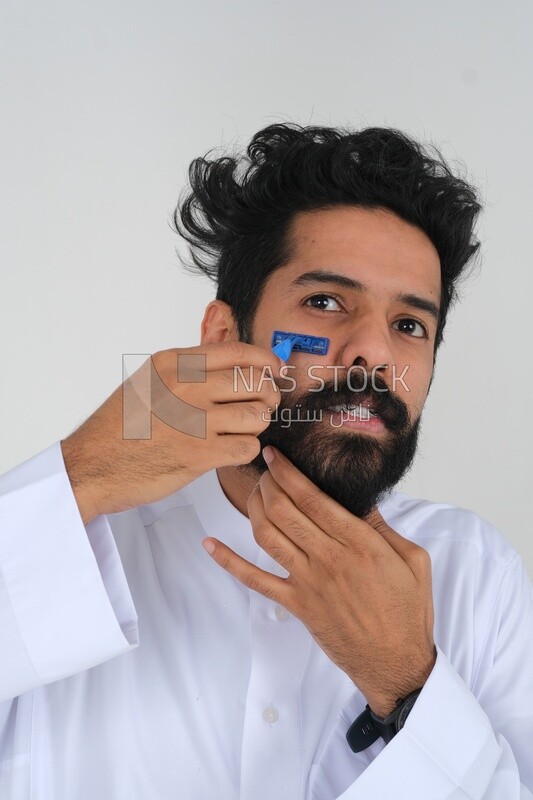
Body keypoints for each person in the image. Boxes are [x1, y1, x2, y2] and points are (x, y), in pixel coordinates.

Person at [0, 124, 531, 800]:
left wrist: (408, 686)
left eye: (409, 326)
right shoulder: (76, 546)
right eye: (325, 302)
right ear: (224, 336)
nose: (373, 354)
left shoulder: (478, 576)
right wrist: (79, 477)